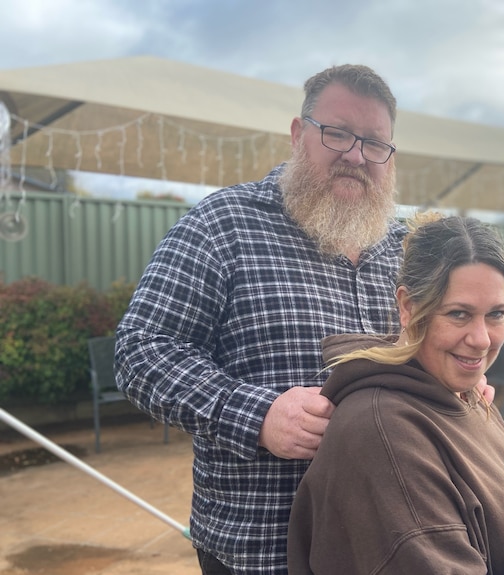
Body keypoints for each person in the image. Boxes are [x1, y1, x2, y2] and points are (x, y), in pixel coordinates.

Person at [115, 64, 412, 575]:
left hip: (385, 542)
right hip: (261, 547)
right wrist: (256, 415)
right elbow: (142, 348)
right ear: (299, 135)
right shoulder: (222, 224)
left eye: (374, 143)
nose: (356, 155)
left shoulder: (404, 247)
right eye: (337, 133)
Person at [287, 213, 504, 575]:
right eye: (459, 314)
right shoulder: (385, 435)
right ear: (408, 307)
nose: (482, 339)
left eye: (497, 314)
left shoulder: (468, 397)